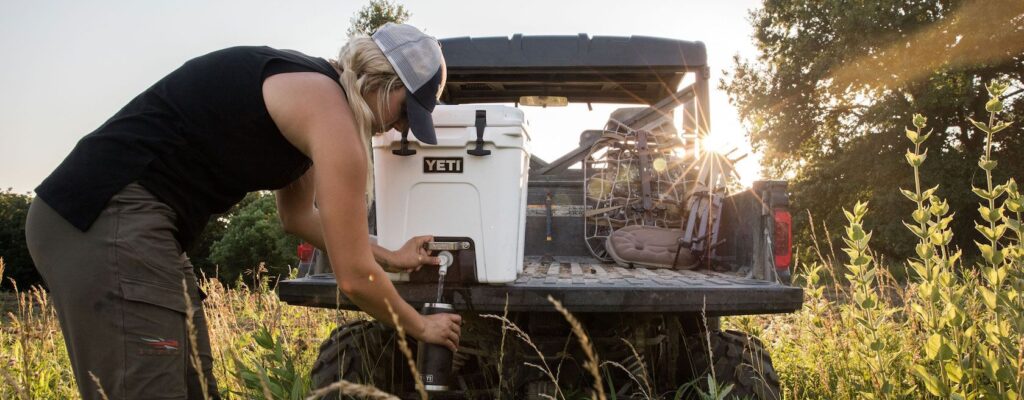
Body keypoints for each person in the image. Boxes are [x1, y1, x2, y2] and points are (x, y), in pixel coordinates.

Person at [24, 23, 461, 399]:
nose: (399, 128)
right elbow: (352, 276)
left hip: (134, 226)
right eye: (406, 112)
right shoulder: (329, 112)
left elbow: (298, 218)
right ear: (383, 83)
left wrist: (390, 253)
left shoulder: (314, 96)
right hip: (104, 215)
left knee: (194, 383)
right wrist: (421, 328)